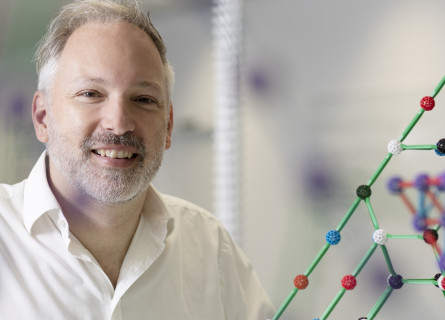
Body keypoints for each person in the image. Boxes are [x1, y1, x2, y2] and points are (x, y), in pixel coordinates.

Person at [0, 0, 275, 319]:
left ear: (169, 125)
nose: (119, 122)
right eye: (91, 94)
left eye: (144, 99)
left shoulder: (211, 248)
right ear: (42, 116)